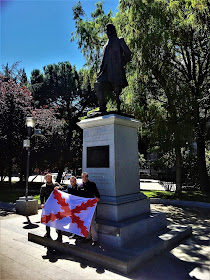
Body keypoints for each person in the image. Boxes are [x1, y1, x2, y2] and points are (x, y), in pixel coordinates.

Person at [94, 23, 131, 112]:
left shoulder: (119, 40)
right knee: (98, 84)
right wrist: (100, 71)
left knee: (117, 90)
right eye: (106, 30)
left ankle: (119, 108)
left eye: (108, 29)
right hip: (105, 70)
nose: (107, 32)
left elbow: (128, 53)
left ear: (112, 30)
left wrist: (121, 63)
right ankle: (102, 107)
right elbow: (103, 59)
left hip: (116, 69)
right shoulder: (105, 45)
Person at [40, 173, 63, 242]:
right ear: (46, 179)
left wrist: (58, 188)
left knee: (58, 219)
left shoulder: (55, 184)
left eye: (50, 178)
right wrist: (42, 203)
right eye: (47, 178)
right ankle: (48, 233)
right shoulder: (43, 187)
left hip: (56, 205)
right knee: (47, 219)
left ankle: (59, 233)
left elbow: (62, 188)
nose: (49, 179)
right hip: (47, 206)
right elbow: (41, 196)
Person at [79, 172, 100, 246]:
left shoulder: (92, 184)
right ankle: (87, 237)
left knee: (92, 222)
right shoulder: (80, 186)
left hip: (91, 206)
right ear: (81, 177)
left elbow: (97, 193)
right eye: (83, 177)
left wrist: (97, 198)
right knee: (85, 222)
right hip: (84, 207)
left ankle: (95, 239)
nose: (84, 178)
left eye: (85, 176)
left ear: (87, 177)